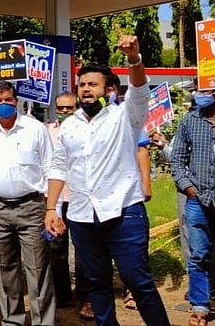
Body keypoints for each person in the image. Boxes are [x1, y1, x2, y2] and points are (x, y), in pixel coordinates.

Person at [45, 30, 171, 326]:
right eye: (82, 85)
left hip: (124, 213)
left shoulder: (126, 115)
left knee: (137, 281)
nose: (85, 89)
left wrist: (134, 59)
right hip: (82, 217)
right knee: (96, 283)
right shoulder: (70, 126)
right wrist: (51, 208)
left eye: (92, 84)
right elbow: (58, 167)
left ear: (110, 89)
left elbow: (139, 89)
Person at [0, 80, 56, 326]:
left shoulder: (35, 129)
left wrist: (53, 209)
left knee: (38, 268)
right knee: (5, 267)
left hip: (31, 206)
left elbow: (50, 169)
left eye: (8, 100)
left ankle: (43, 322)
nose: (3, 105)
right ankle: (12, 320)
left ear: (16, 101)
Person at [170, 88, 215, 326]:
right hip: (199, 198)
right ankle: (200, 306)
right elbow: (177, 159)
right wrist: (188, 187)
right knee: (198, 256)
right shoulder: (189, 120)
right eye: (197, 88)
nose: (199, 94)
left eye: (205, 89)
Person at [46, 92, 92, 318]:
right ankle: (62, 296)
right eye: (61, 108)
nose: (65, 112)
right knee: (56, 249)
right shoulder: (46, 131)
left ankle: (86, 296)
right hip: (55, 199)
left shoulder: (87, 129)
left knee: (84, 249)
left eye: (69, 108)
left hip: (80, 198)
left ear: (77, 108)